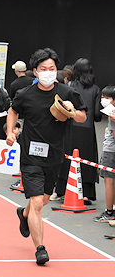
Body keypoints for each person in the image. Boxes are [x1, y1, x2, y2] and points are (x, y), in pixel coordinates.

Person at [6, 47, 87, 265]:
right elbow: (13, 111)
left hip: (55, 156)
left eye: (52, 68)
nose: (49, 72)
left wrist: (71, 110)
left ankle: (24, 214)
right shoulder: (25, 94)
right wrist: (10, 133)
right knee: (37, 202)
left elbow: (82, 117)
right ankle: (40, 248)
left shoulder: (67, 92)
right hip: (30, 156)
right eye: (44, 68)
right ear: (36, 71)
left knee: (41, 200)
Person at [51, 58, 102, 204]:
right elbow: (97, 116)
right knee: (87, 160)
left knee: (66, 158)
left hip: (70, 127)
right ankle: (86, 193)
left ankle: (60, 191)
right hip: (87, 130)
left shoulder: (69, 85)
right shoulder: (96, 89)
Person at [94, 86, 115, 222]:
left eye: (107, 98)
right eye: (102, 97)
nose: (103, 100)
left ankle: (109, 212)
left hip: (111, 151)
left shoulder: (113, 113)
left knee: (109, 182)